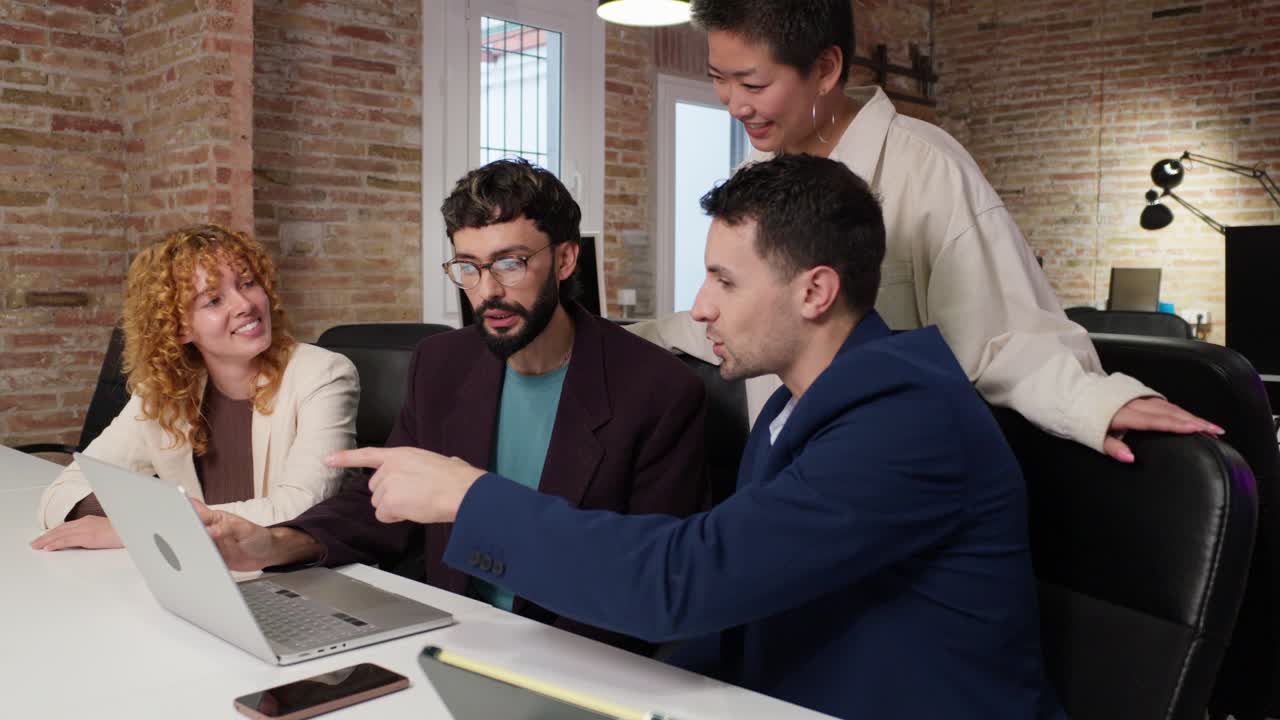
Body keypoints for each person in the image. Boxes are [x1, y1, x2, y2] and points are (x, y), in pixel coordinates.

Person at [201, 155, 1065, 719]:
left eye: (724, 280)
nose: (699, 307)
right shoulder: (805, 403)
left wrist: (468, 495)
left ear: (814, 291)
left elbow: (686, 579)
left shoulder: (900, 418)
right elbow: (732, 602)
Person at [627, 0, 1220, 462]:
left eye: (753, 85)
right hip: (793, 461)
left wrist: (1098, 401)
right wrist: (610, 337)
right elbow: (740, 315)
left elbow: (1003, 333)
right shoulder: (758, 172)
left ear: (827, 68)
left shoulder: (926, 167)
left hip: (884, 473)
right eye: (719, 79)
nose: (733, 103)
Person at [196, 159, 709, 655]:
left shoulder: (658, 389)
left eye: (511, 263)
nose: (487, 292)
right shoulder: (441, 363)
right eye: (468, 267)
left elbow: (652, 573)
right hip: (450, 635)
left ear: (566, 260)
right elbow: (383, 505)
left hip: (580, 651)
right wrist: (280, 542)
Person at [31, 224, 359, 551]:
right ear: (179, 328)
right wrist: (146, 525)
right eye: (214, 300)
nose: (244, 304)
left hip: (296, 575)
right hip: (204, 566)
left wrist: (138, 529)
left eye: (248, 283)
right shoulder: (164, 391)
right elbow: (61, 494)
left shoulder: (322, 374)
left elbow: (297, 510)